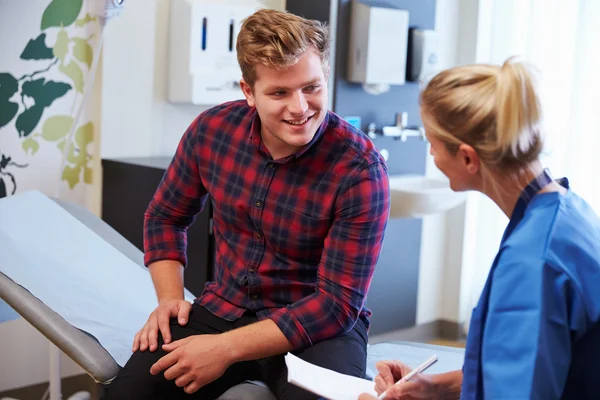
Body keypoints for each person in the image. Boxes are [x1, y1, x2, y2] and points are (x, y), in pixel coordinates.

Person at [101, 8, 390, 400]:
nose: (301, 107)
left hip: (316, 328)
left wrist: (224, 350)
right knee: (128, 396)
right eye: (279, 93)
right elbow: (165, 217)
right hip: (225, 308)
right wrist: (170, 300)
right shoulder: (212, 132)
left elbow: (336, 305)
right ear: (248, 92)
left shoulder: (359, 168)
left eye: (312, 87)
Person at [360, 59, 600, 399]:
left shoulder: (532, 263)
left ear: (469, 159)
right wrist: (431, 388)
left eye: (433, 143)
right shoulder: (564, 210)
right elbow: (515, 363)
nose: (431, 154)